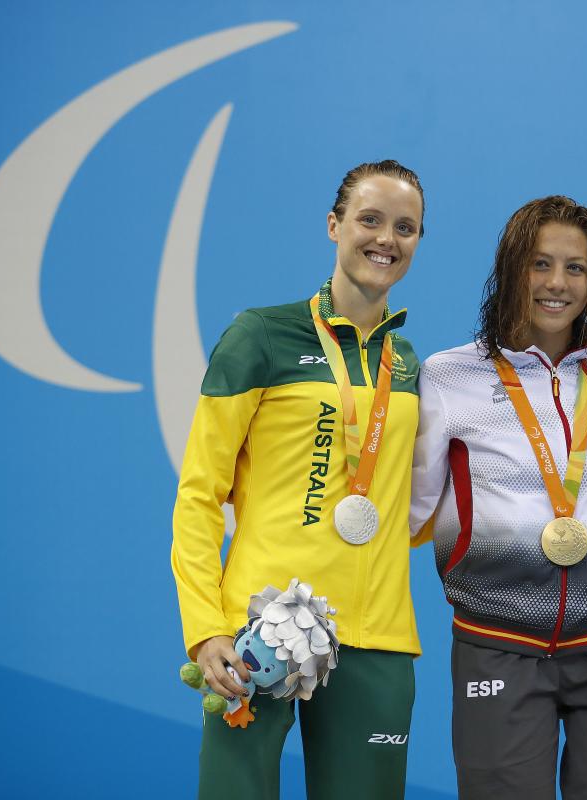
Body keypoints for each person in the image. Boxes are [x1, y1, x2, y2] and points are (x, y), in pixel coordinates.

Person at [171, 159, 426, 800]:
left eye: (406, 227)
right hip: (261, 635)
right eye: (369, 219)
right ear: (334, 224)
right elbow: (200, 493)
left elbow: (416, 505)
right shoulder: (261, 336)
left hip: (377, 634)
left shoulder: (412, 365)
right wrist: (207, 629)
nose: (386, 240)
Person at [410, 195, 587, 799]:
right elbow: (413, 511)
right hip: (499, 645)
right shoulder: (450, 377)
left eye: (575, 267)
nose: (557, 283)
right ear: (510, 270)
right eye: (540, 264)